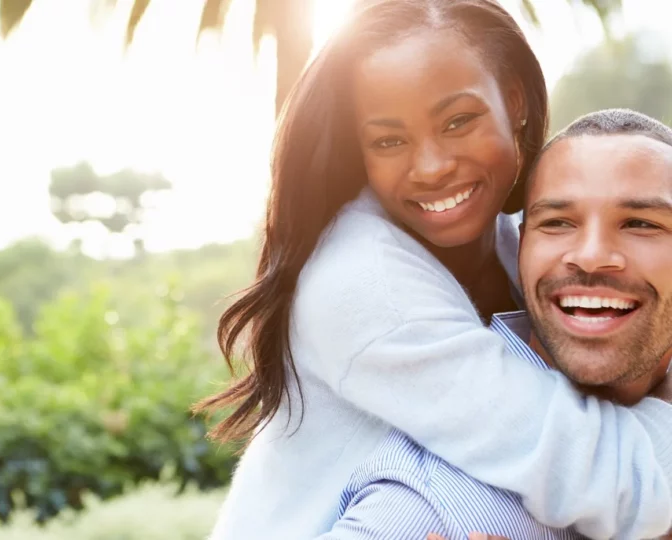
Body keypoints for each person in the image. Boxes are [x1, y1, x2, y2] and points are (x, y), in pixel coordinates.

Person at [195, 1, 672, 538]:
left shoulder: (516, 239)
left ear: (514, 101)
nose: (431, 167)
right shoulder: (365, 285)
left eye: (458, 121)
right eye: (388, 141)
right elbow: (615, 483)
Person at [317, 108, 672, 540]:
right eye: (557, 223)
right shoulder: (433, 501)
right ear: (522, 248)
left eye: (640, 224)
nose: (592, 254)